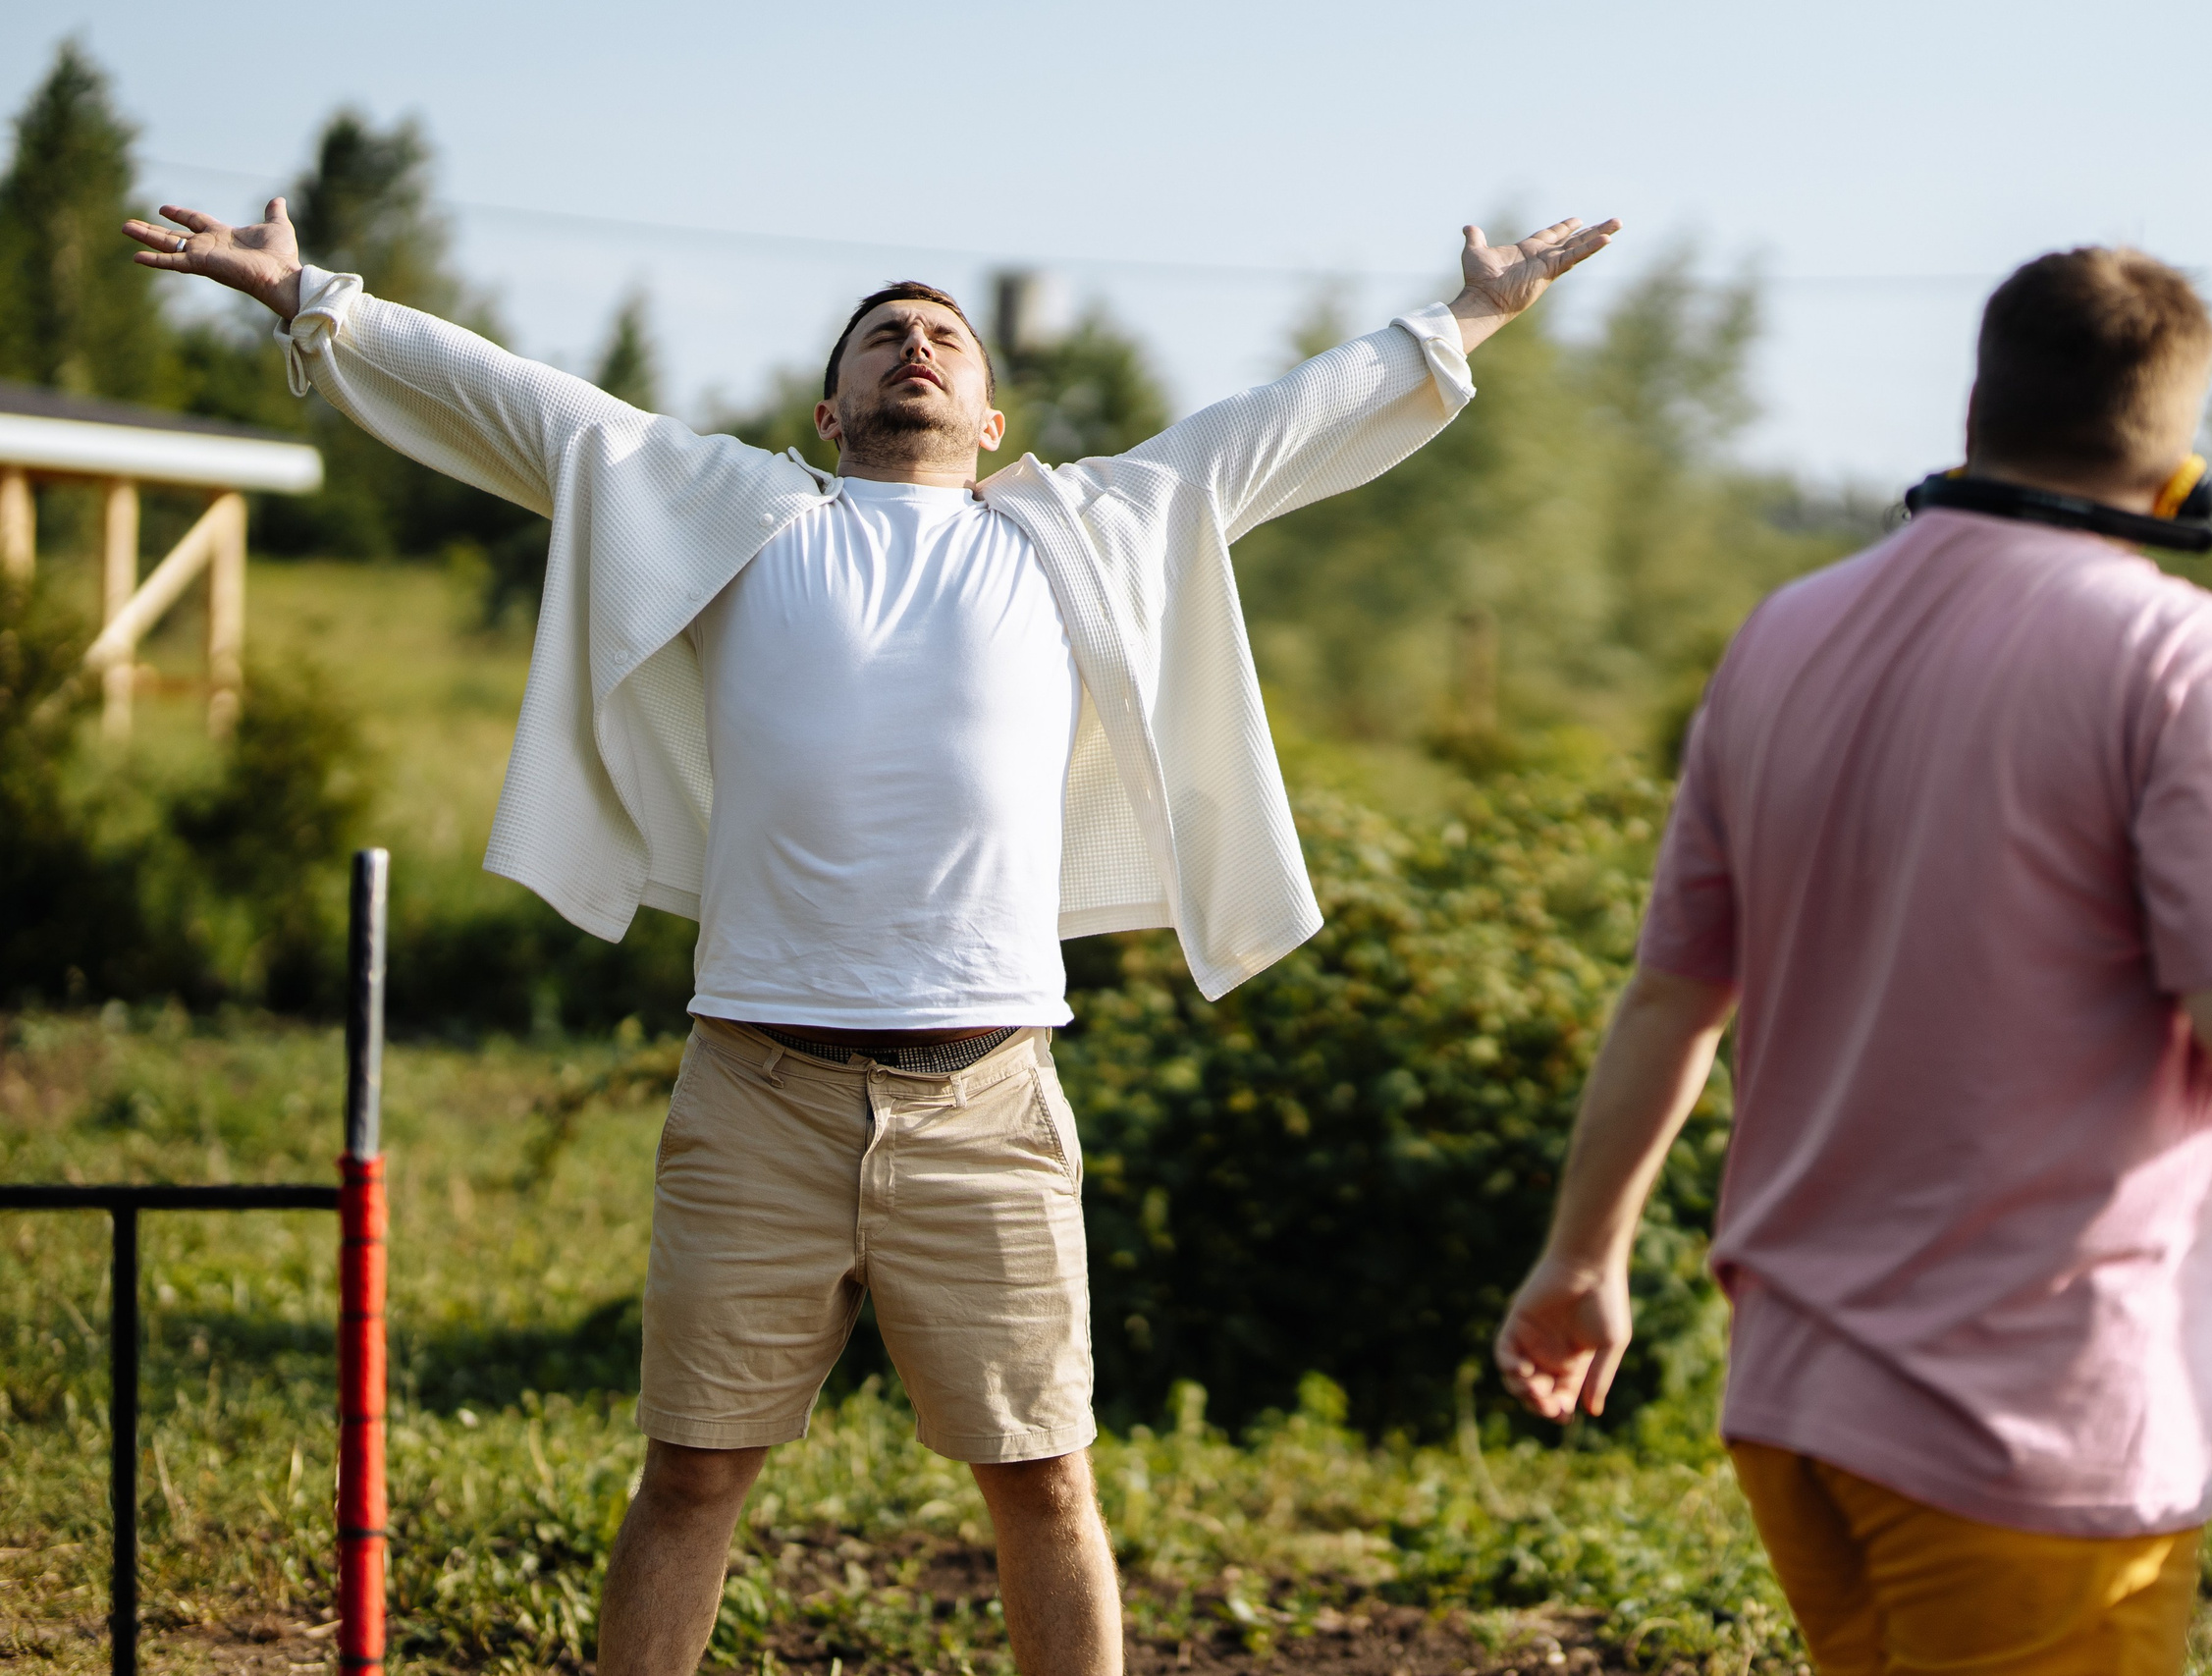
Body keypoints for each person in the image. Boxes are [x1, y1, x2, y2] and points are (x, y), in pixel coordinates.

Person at [125, 198, 1618, 1676]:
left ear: (990, 414)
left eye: (946, 338)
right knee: (694, 1475)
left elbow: (1283, 421)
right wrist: (311, 294)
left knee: (1044, 1481)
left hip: (989, 1102)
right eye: (885, 335)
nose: (917, 344)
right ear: (830, 410)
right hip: (756, 1095)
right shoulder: (731, 509)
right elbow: (518, 402)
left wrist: (1472, 315)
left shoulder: (1081, 530)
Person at [1492, 246, 2212, 1673]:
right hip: (2028, 1423)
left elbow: (1675, 991)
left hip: (1797, 1406)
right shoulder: (2188, 659)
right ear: (2181, 462)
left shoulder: (1786, 634)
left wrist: (1582, 1256)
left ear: (1978, 405)